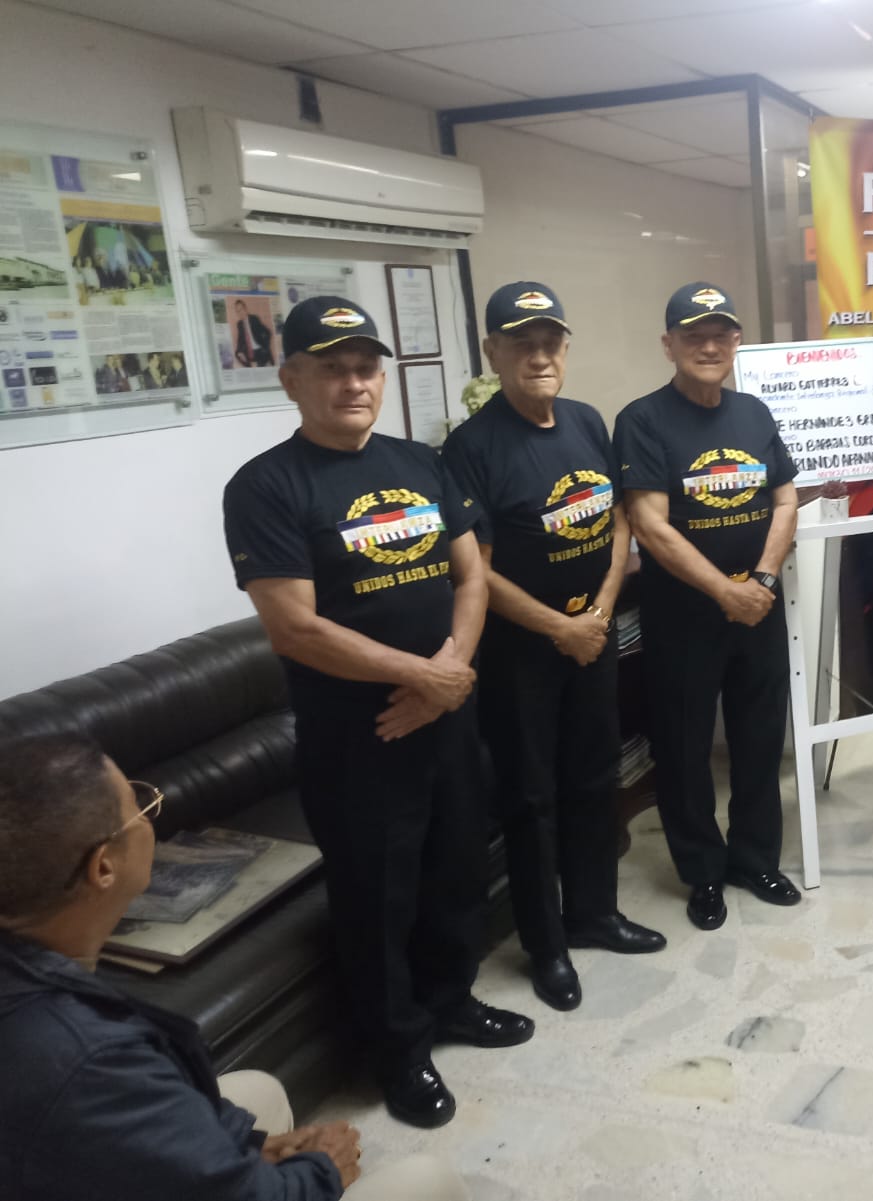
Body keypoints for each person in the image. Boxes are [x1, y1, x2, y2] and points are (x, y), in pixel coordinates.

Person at [222, 295, 532, 1129]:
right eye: (333, 369)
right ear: (292, 379)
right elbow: (294, 627)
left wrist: (450, 673)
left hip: (445, 716)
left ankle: (452, 1001)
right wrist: (424, 679)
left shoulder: (421, 463)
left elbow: (470, 575)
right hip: (358, 737)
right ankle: (397, 1051)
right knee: (377, 898)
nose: (355, 383)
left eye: (366, 368)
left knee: (456, 872)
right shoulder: (265, 486)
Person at [0, 732, 468, 1201]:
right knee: (429, 1181)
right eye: (138, 807)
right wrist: (323, 1170)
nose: (149, 816)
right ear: (103, 867)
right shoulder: (90, 1060)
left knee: (259, 1093)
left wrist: (251, 1150)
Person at [442, 282, 666, 1012]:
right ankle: (547, 945)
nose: (539, 356)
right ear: (493, 352)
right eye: (522, 344)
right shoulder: (470, 448)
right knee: (532, 798)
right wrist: (558, 627)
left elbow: (618, 520)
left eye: (550, 342)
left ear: (565, 348)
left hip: (591, 636)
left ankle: (595, 913)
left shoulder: (585, 421)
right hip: (521, 657)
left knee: (596, 777)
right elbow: (475, 570)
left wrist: (598, 610)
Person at [614, 282, 800, 931]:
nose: (710, 346)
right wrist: (726, 591)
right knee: (685, 749)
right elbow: (649, 523)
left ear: (737, 342)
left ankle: (755, 859)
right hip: (684, 618)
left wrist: (763, 580)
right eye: (694, 335)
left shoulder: (753, 412)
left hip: (760, 607)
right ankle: (703, 872)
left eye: (721, 334)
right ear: (669, 344)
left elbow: (785, 499)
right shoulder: (642, 419)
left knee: (758, 738)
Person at [235, 298, 276, 368]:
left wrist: (266, 347)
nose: (240, 312)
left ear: (245, 309)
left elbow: (268, 332)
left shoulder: (254, 319)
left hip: (260, 349)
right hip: (251, 352)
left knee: (262, 365)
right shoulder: (239, 324)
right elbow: (240, 340)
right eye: (238, 311)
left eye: (241, 309)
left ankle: (259, 363)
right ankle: (251, 366)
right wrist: (239, 352)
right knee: (237, 354)